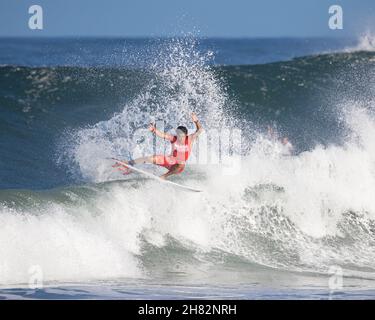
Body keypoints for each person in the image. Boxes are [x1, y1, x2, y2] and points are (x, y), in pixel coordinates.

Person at [113, 112, 203, 179]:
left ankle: (164, 176)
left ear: (185, 134)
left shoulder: (190, 139)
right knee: (149, 158)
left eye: (181, 135)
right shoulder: (174, 138)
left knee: (181, 162)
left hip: (178, 167)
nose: (179, 137)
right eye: (177, 134)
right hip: (169, 161)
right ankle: (127, 164)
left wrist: (196, 121)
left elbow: (200, 130)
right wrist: (154, 130)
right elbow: (162, 135)